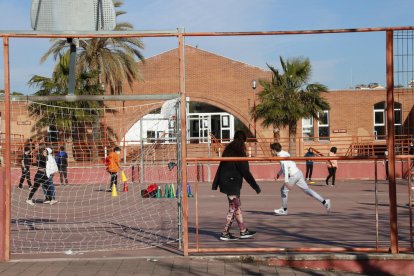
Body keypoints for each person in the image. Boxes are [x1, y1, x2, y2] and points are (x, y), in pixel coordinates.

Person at [212, 130, 261, 241]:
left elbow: (220, 167)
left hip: (226, 183)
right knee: (233, 208)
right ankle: (225, 233)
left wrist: (216, 183)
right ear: (244, 140)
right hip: (232, 184)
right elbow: (245, 172)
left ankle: (243, 231)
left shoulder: (228, 150)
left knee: (236, 207)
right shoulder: (239, 152)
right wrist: (255, 186)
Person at [270, 143, 331, 215]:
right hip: (298, 173)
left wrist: (286, 181)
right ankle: (325, 202)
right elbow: (285, 166)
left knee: (283, 190)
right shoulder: (284, 153)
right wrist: (278, 174)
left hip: (293, 175)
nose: (270, 151)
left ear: (274, 150)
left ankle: (284, 209)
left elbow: (285, 168)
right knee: (308, 190)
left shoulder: (281, 157)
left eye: (271, 150)